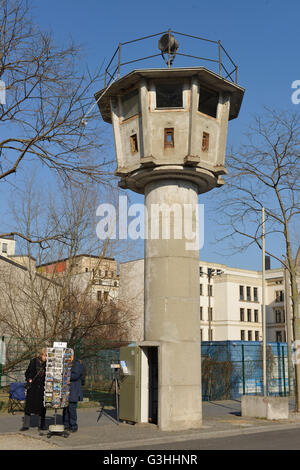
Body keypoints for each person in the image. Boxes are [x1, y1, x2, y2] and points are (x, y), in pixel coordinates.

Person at [20, 348, 47, 431]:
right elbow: (27, 373)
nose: (46, 358)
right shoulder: (34, 361)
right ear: (41, 355)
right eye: (45, 355)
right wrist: (29, 379)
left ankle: (41, 425)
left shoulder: (48, 363)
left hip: (42, 388)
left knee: (42, 406)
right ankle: (26, 425)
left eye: (47, 356)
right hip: (33, 387)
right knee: (29, 406)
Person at [63, 354, 85, 432]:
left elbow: (75, 375)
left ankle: (73, 426)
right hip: (68, 389)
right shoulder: (68, 364)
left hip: (74, 389)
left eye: (69, 356)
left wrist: (65, 376)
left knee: (71, 408)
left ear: (72, 356)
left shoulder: (77, 364)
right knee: (66, 408)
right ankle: (66, 425)